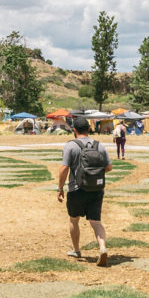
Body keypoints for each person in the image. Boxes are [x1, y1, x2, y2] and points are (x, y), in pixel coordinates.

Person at [56, 114, 110, 265]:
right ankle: (103, 247)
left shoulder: (70, 145)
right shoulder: (99, 145)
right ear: (89, 129)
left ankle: (76, 249)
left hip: (76, 189)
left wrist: (60, 188)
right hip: (96, 189)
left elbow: (64, 169)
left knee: (74, 219)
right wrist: (94, 174)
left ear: (74, 130)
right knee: (96, 222)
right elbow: (109, 167)